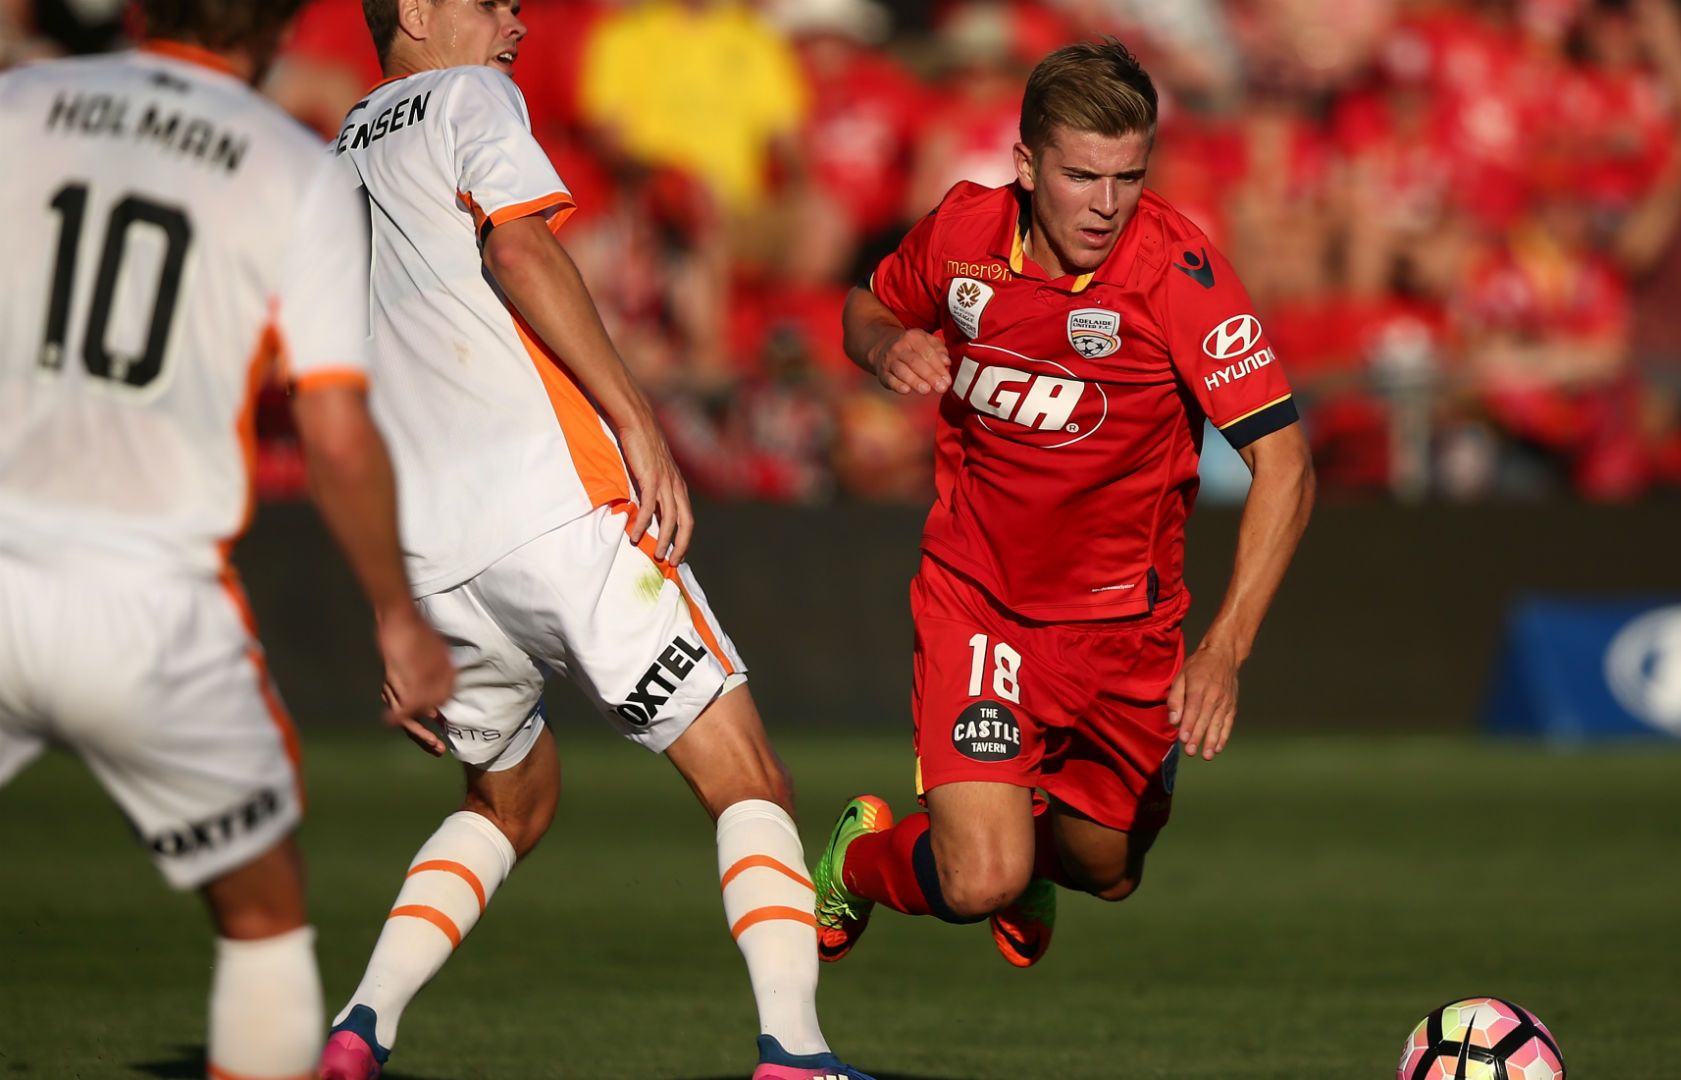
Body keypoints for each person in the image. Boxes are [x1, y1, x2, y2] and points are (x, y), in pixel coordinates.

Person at [317, 3, 871, 1079]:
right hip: (554, 506)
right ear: (417, 11)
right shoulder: (469, 94)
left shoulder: (336, 158)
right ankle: (795, 1053)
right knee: (749, 780)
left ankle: (358, 1029)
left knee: (510, 799)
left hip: (430, 555)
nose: (516, 20)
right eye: (490, 1)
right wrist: (637, 421)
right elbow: (521, 245)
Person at [0, 2, 456, 1077]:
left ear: (137, 7)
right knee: (263, 916)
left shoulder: (19, 105)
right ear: (283, 29)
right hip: (155, 600)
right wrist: (399, 615)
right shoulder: (291, 169)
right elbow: (334, 433)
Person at [814, 40, 1315, 973]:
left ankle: (1037, 861)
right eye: (1081, 176)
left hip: (1127, 632)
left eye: (1128, 177)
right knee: (979, 878)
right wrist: (884, 347)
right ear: (1025, 164)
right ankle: (862, 860)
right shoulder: (961, 233)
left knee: (1106, 872)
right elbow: (865, 306)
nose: (1107, 203)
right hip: (982, 603)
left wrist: (1224, 649)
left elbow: (1286, 462)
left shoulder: (1179, 275)